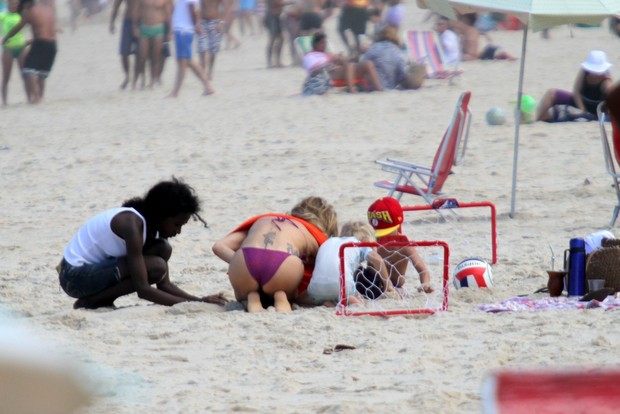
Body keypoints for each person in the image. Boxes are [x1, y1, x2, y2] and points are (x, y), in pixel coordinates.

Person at [57, 178, 228, 310]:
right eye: (177, 224)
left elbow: (164, 284)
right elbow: (143, 290)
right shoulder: (131, 224)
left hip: (91, 272)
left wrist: (200, 300)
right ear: (162, 215)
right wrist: (196, 306)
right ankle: (90, 302)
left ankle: (99, 300)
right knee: (156, 266)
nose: (178, 232)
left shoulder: (148, 227)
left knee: (162, 250)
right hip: (74, 277)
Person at [211, 196, 338, 312]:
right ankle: (282, 297)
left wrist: (238, 263)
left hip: (246, 258)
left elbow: (218, 246)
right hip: (283, 262)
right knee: (293, 284)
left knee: (242, 290)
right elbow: (329, 265)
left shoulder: (264, 219)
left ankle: (251, 297)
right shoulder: (313, 233)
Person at [303, 221, 390, 307]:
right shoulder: (358, 244)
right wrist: (388, 286)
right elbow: (377, 259)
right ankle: (347, 300)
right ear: (366, 240)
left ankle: (324, 301)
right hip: (342, 286)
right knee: (352, 294)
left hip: (317, 287)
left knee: (306, 296)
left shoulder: (330, 241)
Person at [367, 197, 434, 293]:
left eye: (386, 232)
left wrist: (425, 284)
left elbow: (422, 270)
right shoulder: (372, 241)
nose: (383, 237)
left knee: (399, 292)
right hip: (372, 284)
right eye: (379, 233)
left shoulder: (404, 245)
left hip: (395, 287)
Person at [3, 0, 57, 104]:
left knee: (29, 70)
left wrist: (6, 37)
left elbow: (18, 28)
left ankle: (36, 97)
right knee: (41, 73)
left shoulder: (30, 12)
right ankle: (41, 97)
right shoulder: (47, 9)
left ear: (26, 4)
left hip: (40, 43)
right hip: (52, 45)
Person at [536, 50, 613, 122]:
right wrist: (582, 109)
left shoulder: (606, 81)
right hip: (580, 103)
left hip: (596, 111)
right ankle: (536, 118)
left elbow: (612, 99)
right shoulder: (585, 72)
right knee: (551, 93)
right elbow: (576, 90)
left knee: (563, 113)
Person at [301, 31, 382, 95]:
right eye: (322, 42)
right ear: (315, 44)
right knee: (348, 65)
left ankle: (379, 89)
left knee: (367, 64)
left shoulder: (327, 54)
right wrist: (329, 63)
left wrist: (344, 59)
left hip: (342, 70)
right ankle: (352, 90)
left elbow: (339, 60)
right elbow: (312, 70)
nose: (324, 45)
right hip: (329, 74)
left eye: (325, 42)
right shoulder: (310, 56)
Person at [167, 0, 215, 97]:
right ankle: (208, 86)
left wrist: (197, 25)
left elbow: (193, 9)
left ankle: (175, 92)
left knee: (183, 62)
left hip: (183, 30)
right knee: (187, 61)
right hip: (183, 29)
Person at [133, 0, 171, 89]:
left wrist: (170, 31)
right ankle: (137, 79)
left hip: (158, 28)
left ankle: (152, 81)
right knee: (142, 56)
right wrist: (134, 27)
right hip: (145, 27)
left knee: (156, 56)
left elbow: (168, 15)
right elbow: (135, 11)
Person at [451, 13, 516, 62]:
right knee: (495, 55)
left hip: (480, 54)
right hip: (484, 52)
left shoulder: (469, 30)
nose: (460, 22)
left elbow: (472, 55)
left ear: (465, 21)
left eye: (461, 20)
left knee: (496, 55)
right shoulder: (472, 30)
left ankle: (506, 55)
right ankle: (506, 55)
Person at [0, 0, 29, 105]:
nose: (14, 6)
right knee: (6, 77)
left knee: (25, 76)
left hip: (21, 47)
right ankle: (4, 102)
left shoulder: (21, 15)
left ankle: (29, 99)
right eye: (12, 4)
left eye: (16, 4)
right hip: (8, 48)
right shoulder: (3, 15)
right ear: (8, 3)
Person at [361, 25, 406, 90]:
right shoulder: (398, 52)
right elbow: (402, 74)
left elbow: (364, 61)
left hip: (371, 85)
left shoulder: (375, 47)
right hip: (390, 86)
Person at [198, 0, 231, 80]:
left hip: (215, 22)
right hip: (202, 22)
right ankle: (202, 71)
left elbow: (227, 8)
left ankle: (210, 70)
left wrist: (222, 23)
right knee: (202, 48)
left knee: (213, 50)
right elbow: (194, 6)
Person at [109, 0, 139, 89]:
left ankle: (136, 78)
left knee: (141, 53)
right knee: (124, 52)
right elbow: (116, 5)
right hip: (128, 21)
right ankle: (127, 76)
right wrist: (112, 22)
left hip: (142, 21)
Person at [264, 0, 284, 67]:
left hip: (275, 16)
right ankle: (271, 62)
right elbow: (276, 3)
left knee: (279, 39)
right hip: (273, 16)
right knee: (273, 39)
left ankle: (276, 61)